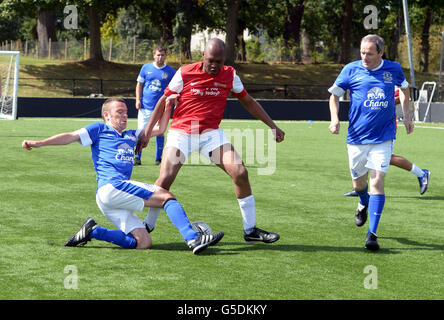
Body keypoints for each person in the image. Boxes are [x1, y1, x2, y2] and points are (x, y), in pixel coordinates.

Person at [21, 98, 224, 254]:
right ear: (107, 116)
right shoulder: (99, 129)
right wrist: (39, 143)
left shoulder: (131, 135)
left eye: (126, 112)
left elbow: (161, 129)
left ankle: (94, 231)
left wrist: (168, 104)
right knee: (167, 197)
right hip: (112, 187)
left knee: (143, 243)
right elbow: (70, 137)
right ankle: (193, 239)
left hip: (109, 199)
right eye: (119, 112)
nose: (125, 116)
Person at [137, 38, 285, 243]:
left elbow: (248, 102)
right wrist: (146, 131)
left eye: (219, 61)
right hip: (182, 132)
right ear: (203, 57)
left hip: (210, 135)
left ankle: (250, 230)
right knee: (165, 179)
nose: (215, 65)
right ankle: (147, 226)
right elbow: (163, 100)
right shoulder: (185, 72)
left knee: (240, 172)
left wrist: (272, 126)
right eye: (210, 60)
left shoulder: (230, 74)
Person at [328, 34, 413, 251]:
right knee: (359, 185)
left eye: (370, 53)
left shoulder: (393, 69)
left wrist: (407, 115)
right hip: (356, 137)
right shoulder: (350, 69)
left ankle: (372, 234)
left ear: (381, 53)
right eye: (362, 53)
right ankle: (363, 201)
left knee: (377, 182)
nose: (365, 57)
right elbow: (334, 95)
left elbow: (404, 88)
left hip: (383, 137)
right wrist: (335, 119)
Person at [343, 89, 430, 197]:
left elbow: (403, 96)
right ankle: (361, 188)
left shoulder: (391, 78)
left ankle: (421, 173)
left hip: (385, 128)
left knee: (387, 157)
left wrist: (380, 103)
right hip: (368, 127)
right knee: (364, 155)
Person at [135, 46, 176, 166]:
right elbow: (139, 85)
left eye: (162, 55)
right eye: (158, 55)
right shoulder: (146, 68)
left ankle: (159, 159)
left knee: (160, 132)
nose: (160, 57)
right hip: (145, 107)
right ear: (154, 55)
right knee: (141, 132)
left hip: (161, 108)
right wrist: (138, 99)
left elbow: (174, 89)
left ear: (165, 56)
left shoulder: (170, 72)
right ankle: (137, 157)